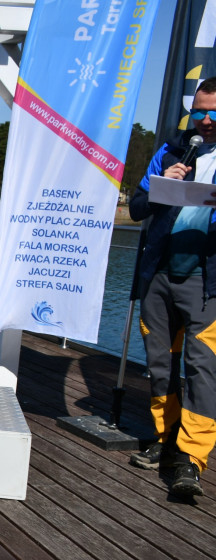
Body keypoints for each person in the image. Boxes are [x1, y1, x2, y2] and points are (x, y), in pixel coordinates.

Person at [126, 77, 216, 498]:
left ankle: (191, 459)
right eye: (199, 111)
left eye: (214, 112)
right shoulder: (171, 151)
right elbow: (136, 208)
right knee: (160, 363)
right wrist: (163, 186)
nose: (206, 120)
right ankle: (166, 439)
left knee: (202, 368)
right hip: (159, 274)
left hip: (206, 280)